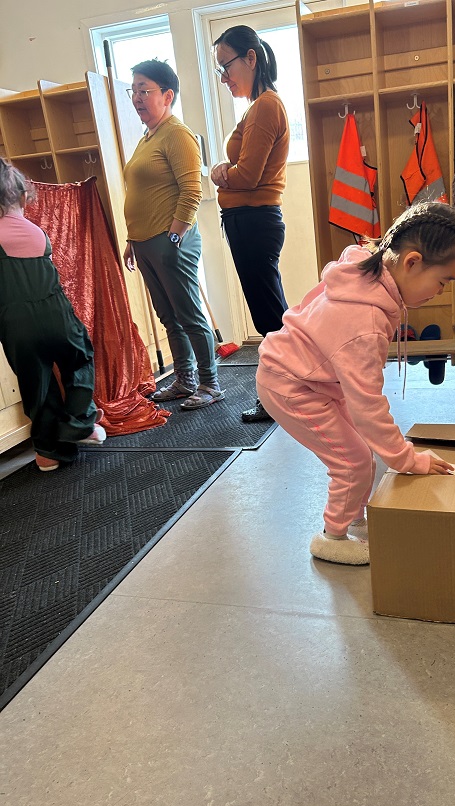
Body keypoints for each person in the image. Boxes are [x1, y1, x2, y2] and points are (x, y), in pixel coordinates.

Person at [256, 202, 455, 566]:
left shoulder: (368, 267)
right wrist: (407, 459)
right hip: (290, 383)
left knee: (362, 453)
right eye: (443, 281)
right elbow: (367, 406)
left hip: (314, 376)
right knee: (353, 462)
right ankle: (331, 537)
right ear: (412, 262)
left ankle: (354, 518)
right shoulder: (366, 321)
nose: (441, 292)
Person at [123, 59, 222, 410]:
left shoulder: (177, 134)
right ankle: (185, 379)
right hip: (145, 243)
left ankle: (210, 383)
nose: (137, 97)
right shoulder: (148, 137)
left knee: (189, 314)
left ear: (167, 96)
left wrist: (174, 238)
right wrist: (132, 240)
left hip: (171, 242)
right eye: (134, 90)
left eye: (144, 90)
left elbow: (191, 191)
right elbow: (143, 193)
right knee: (169, 315)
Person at [0, 159, 106, 472]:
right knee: (79, 359)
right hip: (55, 312)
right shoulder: (35, 232)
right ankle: (78, 423)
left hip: (14, 322)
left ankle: (48, 454)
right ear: (23, 197)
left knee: (37, 385)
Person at [210, 26, 290, 423]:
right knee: (271, 315)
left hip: (254, 222)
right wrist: (230, 170)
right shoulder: (259, 106)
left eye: (226, 67)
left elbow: (248, 175)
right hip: (251, 222)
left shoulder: (265, 106)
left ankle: (281, 397)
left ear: (251, 58)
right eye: (220, 71)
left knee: (270, 318)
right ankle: (289, 392)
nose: (225, 78)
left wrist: (221, 171)